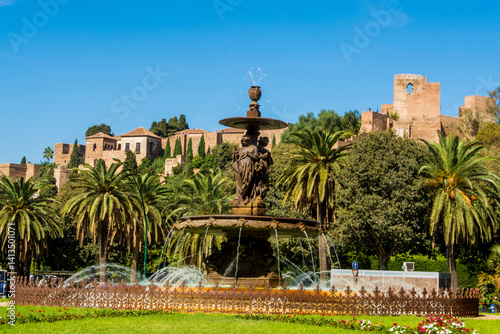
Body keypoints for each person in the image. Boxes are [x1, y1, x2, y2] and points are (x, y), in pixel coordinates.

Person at [232, 135, 259, 205]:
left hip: (249, 166)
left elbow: (257, 158)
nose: (243, 143)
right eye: (243, 141)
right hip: (241, 166)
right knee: (239, 181)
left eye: (244, 141)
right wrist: (235, 155)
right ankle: (240, 197)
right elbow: (237, 159)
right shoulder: (242, 149)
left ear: (248, 140)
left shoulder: (254, 148)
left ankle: (246, 197)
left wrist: (249, 155)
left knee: (248, 181)